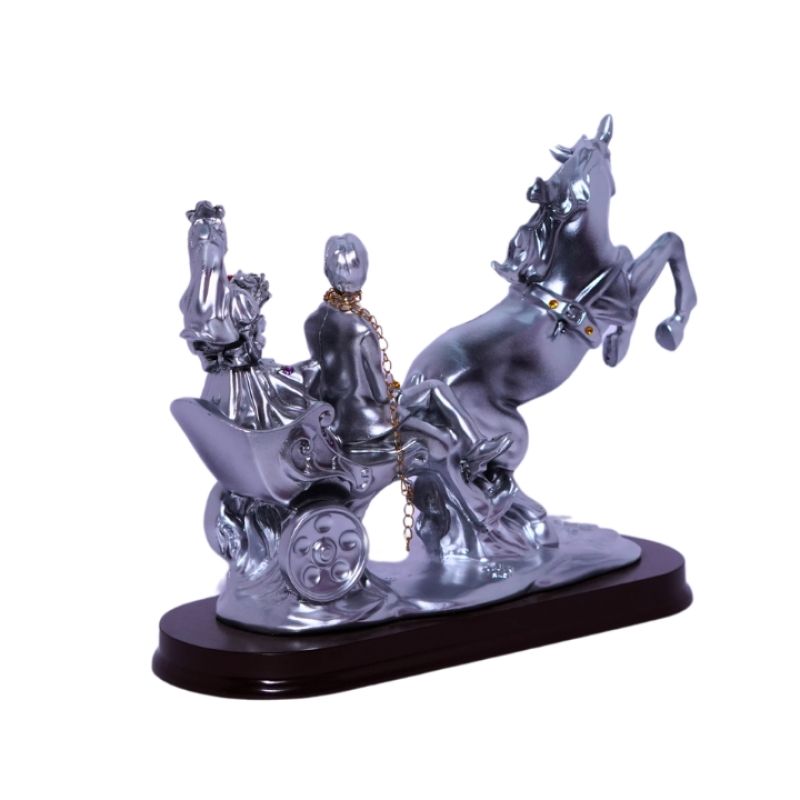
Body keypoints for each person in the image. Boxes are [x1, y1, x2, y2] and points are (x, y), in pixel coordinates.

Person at [303, 233, 509, 478]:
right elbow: (380, 392)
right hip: (371, 421)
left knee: (426, 395)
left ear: (327, 269)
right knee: (434, 389)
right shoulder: (360, 328)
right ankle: (475, 447)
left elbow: (324, 370)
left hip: (338, 419)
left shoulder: (312, 322)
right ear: (362, 271)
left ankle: (474, 448)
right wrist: (395, 391)